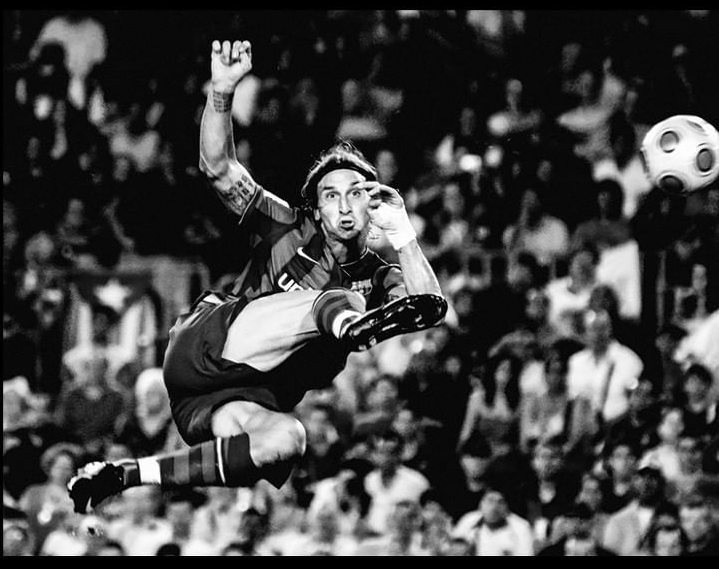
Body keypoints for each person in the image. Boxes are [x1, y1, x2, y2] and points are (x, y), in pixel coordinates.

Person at [69, 38, 446, 513]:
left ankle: (123, 475)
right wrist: (221, 92)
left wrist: (404, 232)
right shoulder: (286, 225)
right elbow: (218, 167)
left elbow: (429, 308)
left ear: (372, 204)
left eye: (357, 193)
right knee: (341, 300)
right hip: (210, 347)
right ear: (316, 209)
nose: (345, 205)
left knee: (287, 439)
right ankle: (351, 326)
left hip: (222, 403)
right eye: (331, 195)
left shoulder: (378, 272)